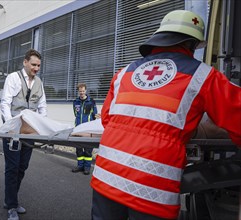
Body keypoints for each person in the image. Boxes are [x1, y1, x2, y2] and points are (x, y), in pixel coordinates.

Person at [91, 10, 241, 220]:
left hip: (106, 177)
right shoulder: (204, 76)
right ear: (191, 44)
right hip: (152, 189)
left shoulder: (124, 73)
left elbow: (108, 119)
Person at [0, 49, 47, 220]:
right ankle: (12, 205)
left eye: (39, 66)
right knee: (12, 168)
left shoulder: (39, 83)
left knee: (22, 167)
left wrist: (41, 127)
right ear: (25, 62)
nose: (36, 68)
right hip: (13, 129)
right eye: (34, 64)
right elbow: (5, 103)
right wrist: (10, 127)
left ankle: (11, 200)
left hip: (29, 131)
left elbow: (42, 107)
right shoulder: (13, 78)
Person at [72, 83, 98, 175]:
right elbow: (76, 114)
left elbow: (95, 115)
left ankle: (87, 167)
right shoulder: (75, 102)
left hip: (88, 129)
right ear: (78, 91)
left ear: (85, 91)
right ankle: (80, 166)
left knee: (88, 149)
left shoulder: (91, 101)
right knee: (79, 149)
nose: (82, 93)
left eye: (83, 91)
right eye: (80, 91)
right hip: (78, 128)